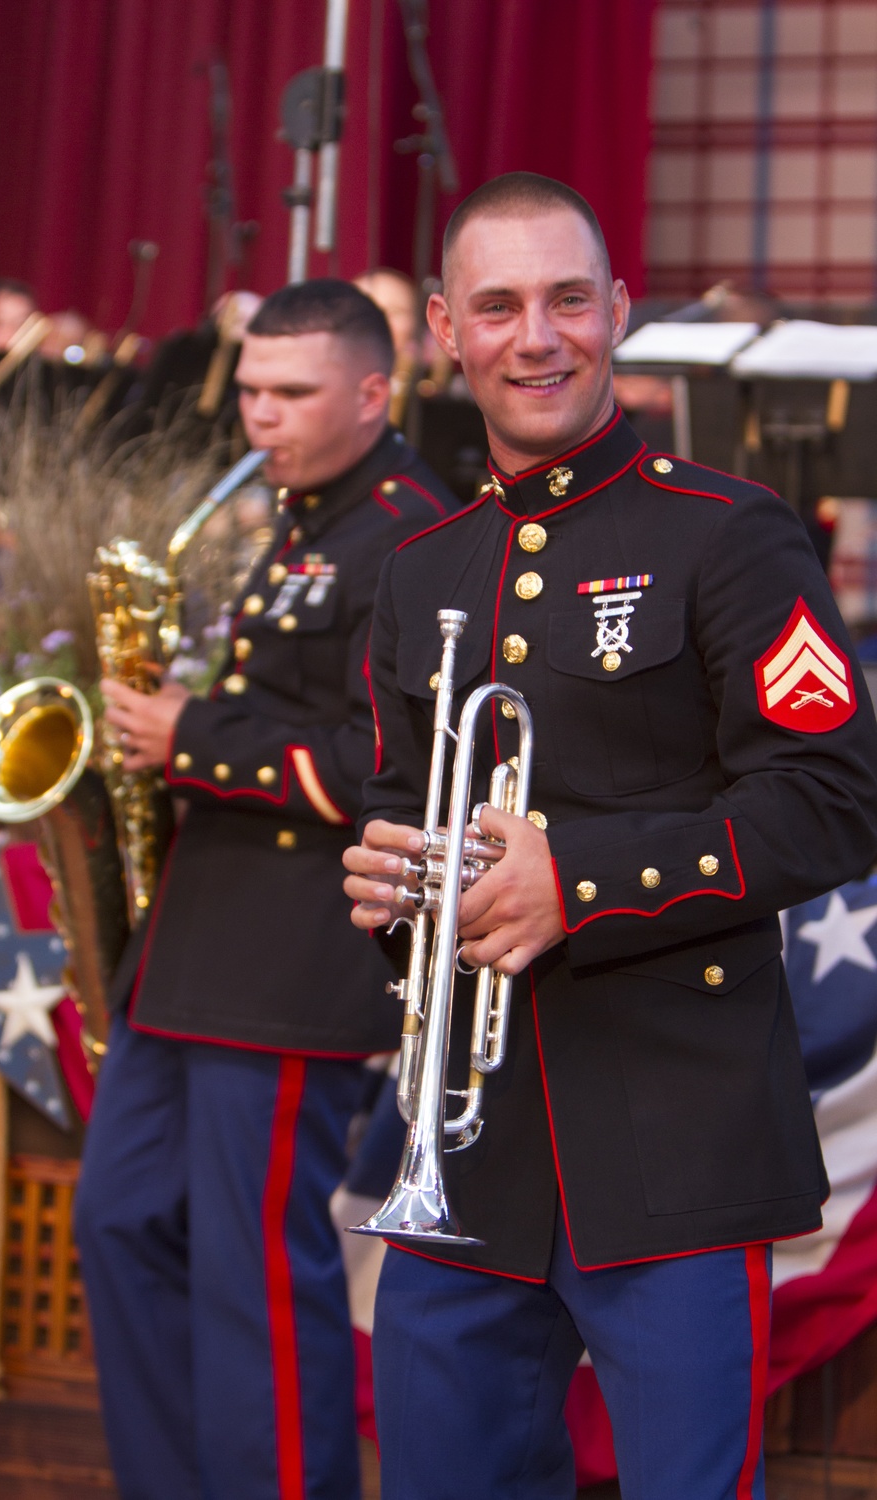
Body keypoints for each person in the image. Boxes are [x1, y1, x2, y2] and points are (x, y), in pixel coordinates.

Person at [342, 173, 877, 1500]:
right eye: (503, 305)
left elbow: (835, 798)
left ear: (618, 311)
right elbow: (413, 802)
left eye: (570, 299)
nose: (541, 337)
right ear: (446, 334)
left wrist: (573, 879)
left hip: (676, 1135)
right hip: (465, 1158)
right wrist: (394, 878)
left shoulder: (730, 536)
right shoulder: (421, 572)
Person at [73, 278, 458, 1500]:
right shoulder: (298, 515)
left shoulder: (404, 528)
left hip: (293, 957)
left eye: (291, 394)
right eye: (248, 390)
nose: (260, 417)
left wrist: (191, 738)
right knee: (120, 1223)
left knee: (252, 1278)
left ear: (370, 392)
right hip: (192, 949)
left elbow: (384, 767)